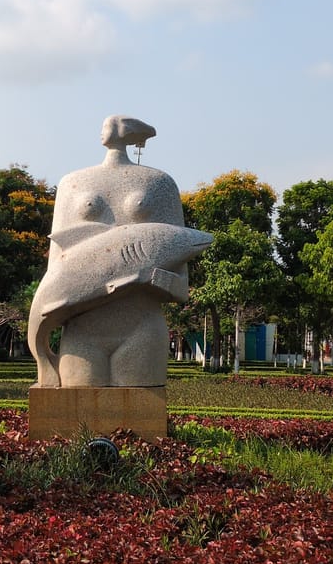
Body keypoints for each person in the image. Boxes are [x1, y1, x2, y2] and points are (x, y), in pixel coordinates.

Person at [28, 115, 210, 387]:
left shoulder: (160, 184)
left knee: (141, 416)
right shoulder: (71, 183)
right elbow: (55, 269)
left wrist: (147, 277)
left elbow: (181, 289)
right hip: (81, 334)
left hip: (142, 330)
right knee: (75, 412)